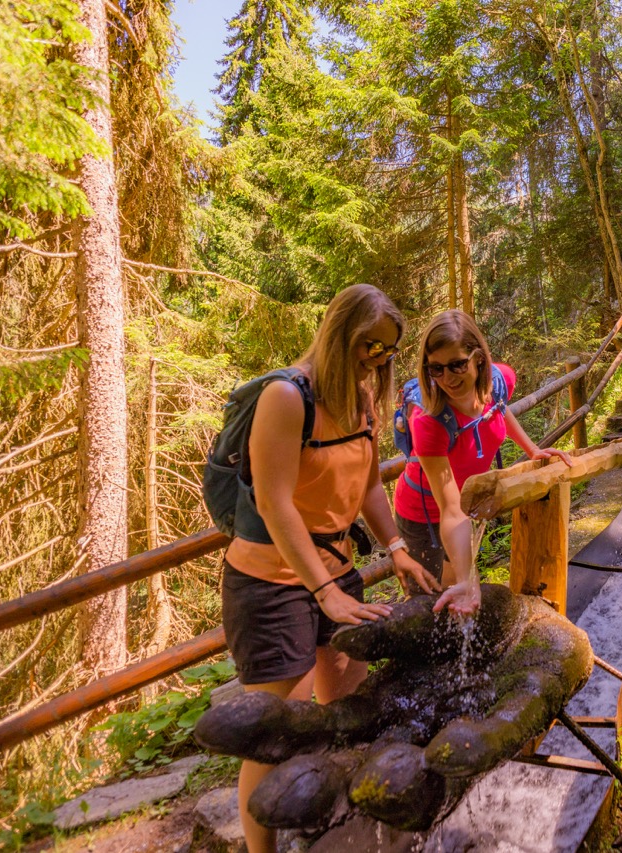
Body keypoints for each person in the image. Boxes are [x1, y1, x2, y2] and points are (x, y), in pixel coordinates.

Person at [220, 284, 439, 853]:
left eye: (388, 351)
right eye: (369, 345)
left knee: (345, 711)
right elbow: (274, 503)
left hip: (337, 574)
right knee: (275, 730)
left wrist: (395, 549)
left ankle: (336, 827)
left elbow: (367, 485)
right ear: (339, 331)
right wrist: (322, 590)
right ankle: (260, 849)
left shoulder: (362, 401)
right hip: (271, 584)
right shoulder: (287, 398)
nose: (378, 359)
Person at [393, 310, 572, 617]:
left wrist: (531, 449)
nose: (448, 378)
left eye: (457, 364)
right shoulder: (428, 421)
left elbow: (499, 409)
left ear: (477, 358)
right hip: (424, 514)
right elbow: (449, 507)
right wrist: (464, 579)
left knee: (462, 599)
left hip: (462, 506)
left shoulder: (500, 380)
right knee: (436, 602)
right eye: (436, 369)